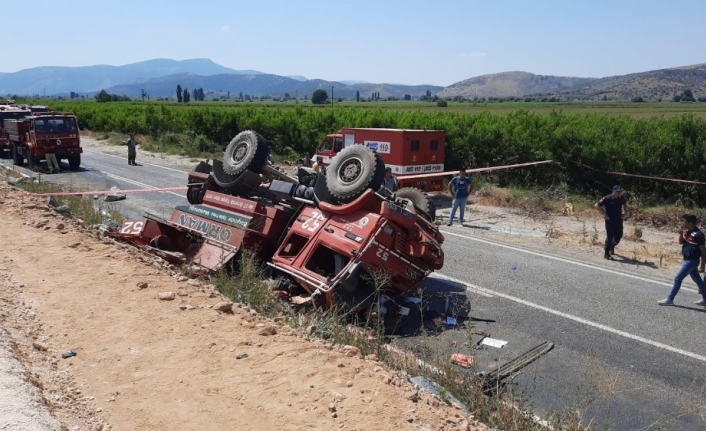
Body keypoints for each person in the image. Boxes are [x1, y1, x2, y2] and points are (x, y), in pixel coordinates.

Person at [658, 214, 706, 306]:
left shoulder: (698, 234)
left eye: (684, 221)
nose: (682, 223)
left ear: (690, 222)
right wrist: (680, 234)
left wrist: (703, 265)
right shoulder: (688, 232)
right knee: (698, 280)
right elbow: (681, 242)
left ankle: (670, 299)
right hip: (688, 259)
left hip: (692, 261)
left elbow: (703, 252)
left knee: (677, 278)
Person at [595, 185, 628, 260]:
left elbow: (625, 204)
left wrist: (625, 212)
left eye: (620, 191)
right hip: (610, 220)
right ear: (613, 191)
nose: (619, 193)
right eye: (617, 191)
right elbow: (597, 206)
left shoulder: (621, 198)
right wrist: (604, 214)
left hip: (619, 220)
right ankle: (606, 253)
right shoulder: (607, 198)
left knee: (619, 235)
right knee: (610, 237)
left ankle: (612, 246)